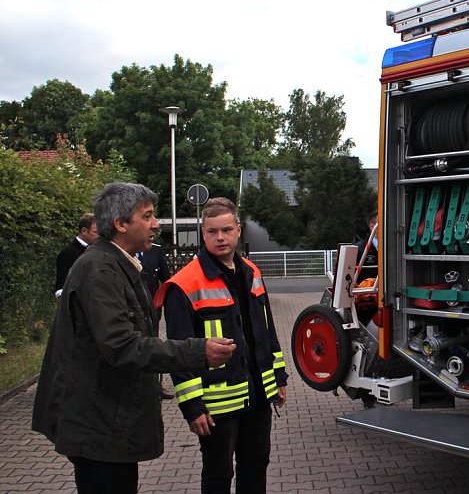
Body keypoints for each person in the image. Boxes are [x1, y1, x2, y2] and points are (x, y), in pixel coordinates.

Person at [32, 182, 237, 494]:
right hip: (99, 427)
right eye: (147, 216)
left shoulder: (114, 264)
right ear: (121, 223)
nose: (155, 224)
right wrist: (198, 351)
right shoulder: (100, 271)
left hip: (105, 423)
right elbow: (122, 345)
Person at [157, 197, 287, 494]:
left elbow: (267, 331)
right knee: (218, 474)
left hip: (258, 394)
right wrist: (192, 407)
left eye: (226, 230)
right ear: (203, 233)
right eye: (212, 231)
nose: (220, 237)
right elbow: (178, 352)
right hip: (216, 405)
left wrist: (278, 378)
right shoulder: (184, 284)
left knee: (256, 465)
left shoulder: (252, 272)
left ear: (238, 230)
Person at [137, 243, 174, 399]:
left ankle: (156, 386)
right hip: (131, 308)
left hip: (152, 308)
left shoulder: (156, 251)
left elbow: (165, 280)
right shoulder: (122, 250)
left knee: (153, 344)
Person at [54, 213, 98, 298]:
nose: (99, 236)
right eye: (95, 232)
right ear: (84, 231)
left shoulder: (97, 252)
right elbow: (60, 289)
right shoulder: (67, 253)